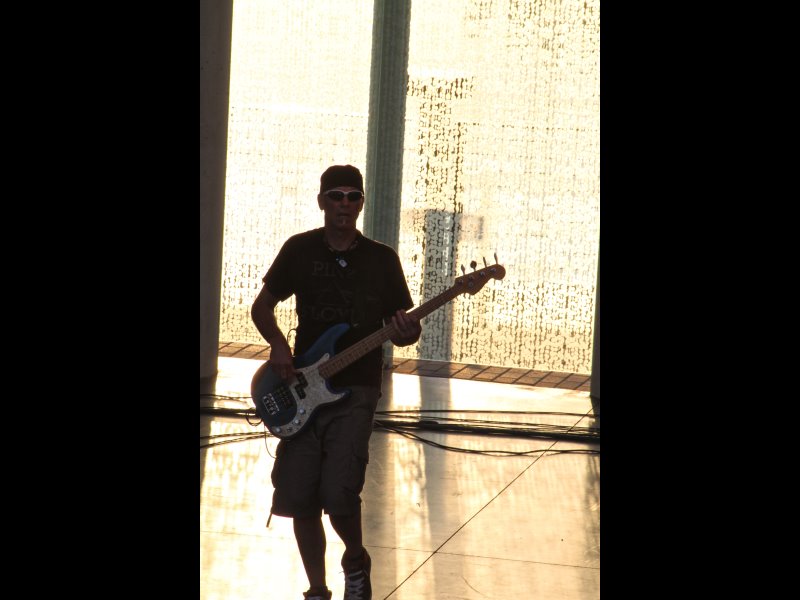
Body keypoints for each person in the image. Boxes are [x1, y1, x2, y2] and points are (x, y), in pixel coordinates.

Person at [251, 164, 422, 600]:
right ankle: (317, 589)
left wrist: (407, 331)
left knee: (339, 492)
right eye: (336, 195)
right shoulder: (299, 250)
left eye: (353, 196)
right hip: (302, 385)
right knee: (300, 494)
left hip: (357, 389)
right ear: (321, 201)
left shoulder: (382, 259)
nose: (344, 203)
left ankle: (356, 559)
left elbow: (403, 328)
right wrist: (279, 346)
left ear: (361, 204)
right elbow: (262, 307)